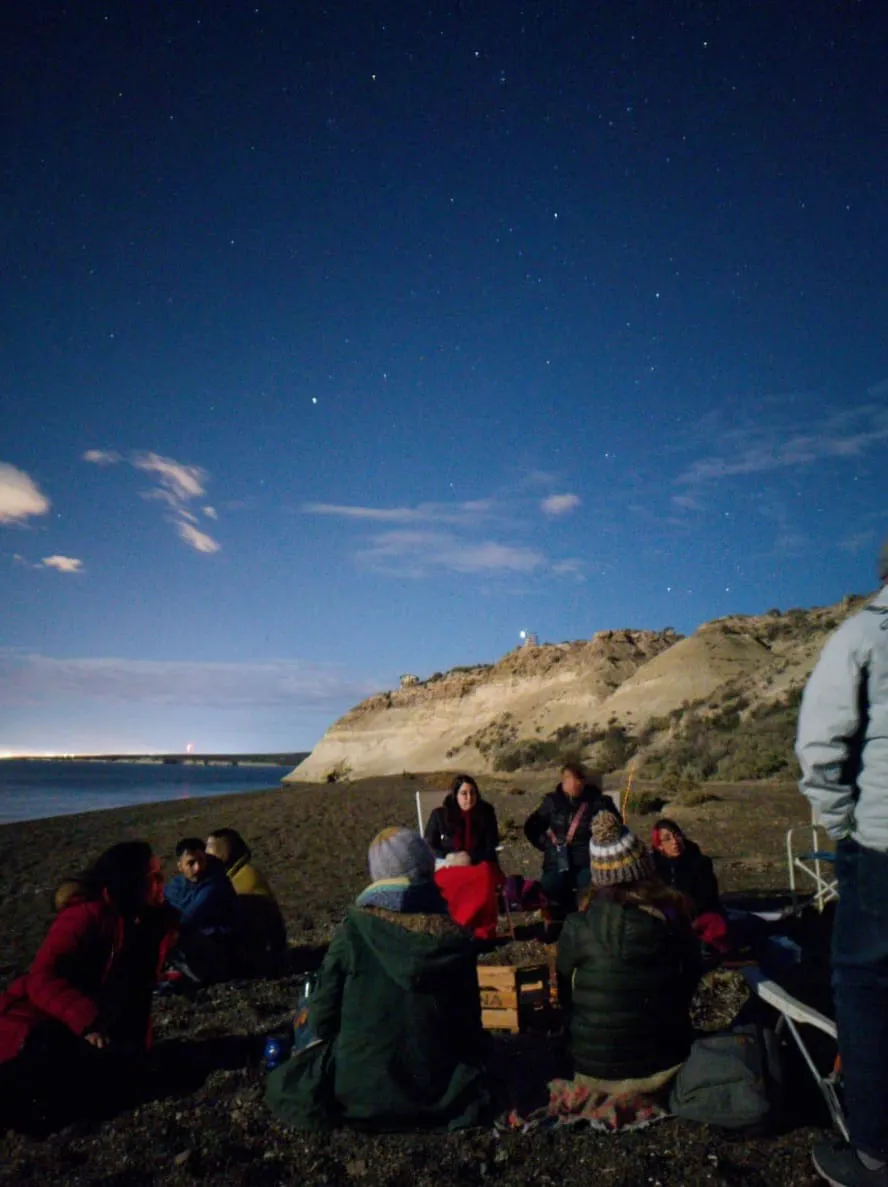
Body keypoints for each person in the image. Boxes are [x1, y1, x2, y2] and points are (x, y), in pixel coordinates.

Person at [265, 827, 490, 1131]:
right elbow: (470, 1029)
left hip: (358, 1094)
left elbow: (323, 1018)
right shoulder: (453, 938)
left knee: (305, 1022)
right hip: (439, 1091)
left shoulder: (354, 932)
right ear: (425, 868)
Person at [796, 540, 888, 1187]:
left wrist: (844, 825)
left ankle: (874, 1152)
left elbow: (820, 745)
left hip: (881, 845)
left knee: (864, 985)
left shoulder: (863, 634)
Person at [0, 841, 177, 1132]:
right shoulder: (85, 915)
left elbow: (138, 995)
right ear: (130, 883)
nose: (162, 883)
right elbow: (41, 978)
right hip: (35, 1023)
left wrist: (139, 1053)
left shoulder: (144, 922)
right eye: (153, 877)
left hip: (88, 1028)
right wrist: (89, 1022)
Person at [556, 812, 701, 1091]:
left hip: (591, 1069)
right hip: (662, 1065)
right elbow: (690, 980)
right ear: (644, 867)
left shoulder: (577, 925)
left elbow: (566, 995)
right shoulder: (671, 917)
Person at [524, 763, 622, 912]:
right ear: (563, 781)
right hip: (557, 862)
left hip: (587, 863)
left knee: (593, 894)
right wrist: (547, 846)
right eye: (569, 779)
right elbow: (532, 827)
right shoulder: (552, 802)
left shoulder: (598, 802)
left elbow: (616, 828)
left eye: (578, 779)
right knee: (548, 890)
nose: (574, 784)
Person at [206, 828, 287, 974]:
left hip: (254, 957)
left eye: (210, 851)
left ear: (224, 853)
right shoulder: (238, 876)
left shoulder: (244, 880)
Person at [164, 837, 238, 983]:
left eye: (201, 860)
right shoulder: (176, 885)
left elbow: (188, 918)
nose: (198, 867)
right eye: (191, 863)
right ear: (180, 866)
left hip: (220, 953)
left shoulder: (216, 884)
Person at [424, 775, 500, 867]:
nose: (469, 797)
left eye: (472, 793)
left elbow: (492, 843)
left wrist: (469, 858)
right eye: (464, 793)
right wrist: (447, 856)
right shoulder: (440, 815)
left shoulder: (485, 813)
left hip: (479, 863)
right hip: (449, 863)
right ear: (456, 795)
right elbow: (428, 844)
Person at [651, 818, 721, 917]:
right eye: (667, 839)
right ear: (660, 846)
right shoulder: (653, 866)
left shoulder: (701, 863)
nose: (674, 841)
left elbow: (708, 898)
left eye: (677, 835)